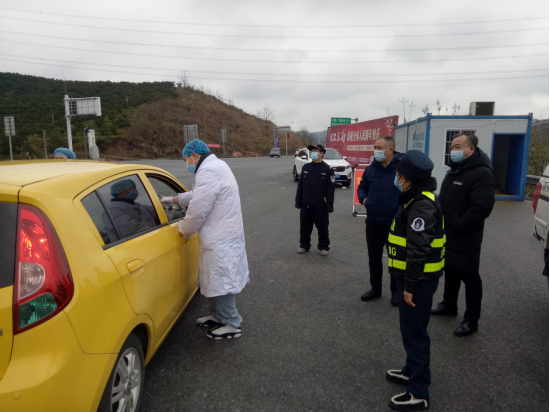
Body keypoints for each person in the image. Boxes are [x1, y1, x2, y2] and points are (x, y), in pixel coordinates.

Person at [161, 140, 250, 340]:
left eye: (186, 159)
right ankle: (218, 316)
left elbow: (198, 208)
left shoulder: (209, 171)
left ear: (194, 155)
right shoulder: (215, 166)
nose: (187, 163)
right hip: (221, 233)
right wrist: (174, 199)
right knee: (213, 277)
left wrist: (184, 230)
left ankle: (232, 322)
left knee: (221, 279)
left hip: (221, 236)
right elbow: (199, 194)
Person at [386, 150, 445, 412]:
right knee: (410, 329)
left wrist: (410, 286)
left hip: (418, 282)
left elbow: (418, 250)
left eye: (398, 175)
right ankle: (410, 371)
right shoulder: (416, 198)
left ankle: (419, 393)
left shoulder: (421, 205)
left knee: (415, 334)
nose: (396, 178)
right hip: (413, 279)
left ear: (408, 178)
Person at [431, 133, 495, 337]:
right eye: (452, 147)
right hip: (449, 232)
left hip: (466, 235)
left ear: (471, 149)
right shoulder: (455, 170)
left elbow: (482, 207)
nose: (453, 150)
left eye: (458, 147)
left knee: (469, 276)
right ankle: (449, 305)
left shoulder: (481, 173)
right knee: (451, 270)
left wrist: (459, 225)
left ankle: (471, 320)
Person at [357, 136, 403, 306]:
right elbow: (362, 188)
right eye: (375, 147)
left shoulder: (401, 169)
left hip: (394, 223)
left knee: (395, 259)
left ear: (389, 150)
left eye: (379, 147)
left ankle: (395, 291)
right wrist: (364, 200)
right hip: (373, 222)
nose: (375, 150)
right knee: (374, 257)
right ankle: (375, 289)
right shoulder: (371, 169)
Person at [295, 144, 336, 257]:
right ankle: (304, 245)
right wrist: (298, 201)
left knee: (322, 228)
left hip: (320, 205)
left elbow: (330, 190)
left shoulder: (328, 169)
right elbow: (300, 186)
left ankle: (323, 246)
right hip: (306, 204)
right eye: (312, 151)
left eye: (316, 151)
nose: (313, 153)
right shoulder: (306, 167)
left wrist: (329, 206)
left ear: (322, 153)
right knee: (305, 227)